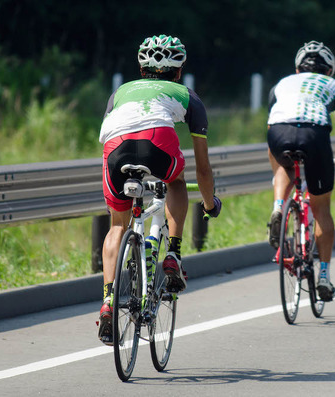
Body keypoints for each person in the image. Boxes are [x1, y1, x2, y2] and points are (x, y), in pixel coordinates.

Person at [97, 34, 222, 345]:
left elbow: (111, 127)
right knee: (176, 181)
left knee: (116, 225)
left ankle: (109, 301)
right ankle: (173, 255)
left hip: (116, 149)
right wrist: (209, 204)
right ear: (178, 72)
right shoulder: (187, 96)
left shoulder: (120, 92)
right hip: (157, 141)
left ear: (141, 70)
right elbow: (203, 169)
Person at [266, 40, 335, 301]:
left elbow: (270, 133)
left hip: (278, 132)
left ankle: (278, 206)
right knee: (321, 209)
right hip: (314, 134)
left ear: (298, 69)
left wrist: (279, 173)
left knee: (285, 165)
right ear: (329, 71)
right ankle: (324, 276)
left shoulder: (281, 85)